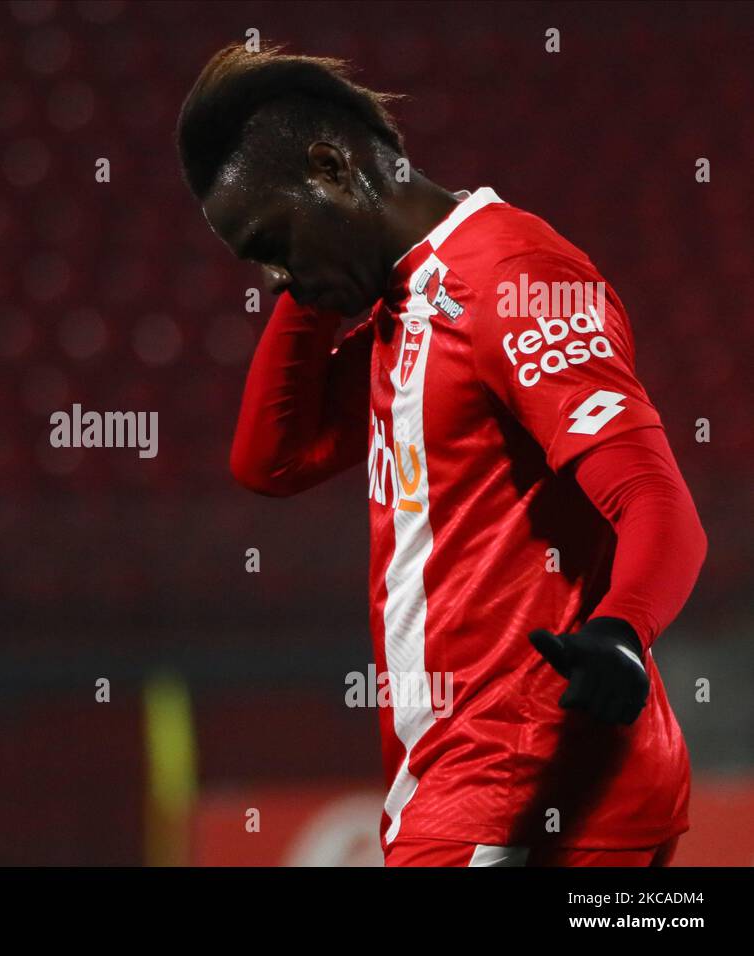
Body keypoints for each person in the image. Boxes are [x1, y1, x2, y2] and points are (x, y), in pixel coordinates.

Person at [176, 43, 707, 866]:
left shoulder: (512, 278)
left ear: (331, 166)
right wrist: (315, 282)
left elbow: (657, 501)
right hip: (472, 785)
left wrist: (622, 632)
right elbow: (270, 460)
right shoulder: (406, 297)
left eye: (273, 241)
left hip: (523, 784)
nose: (277, 277)